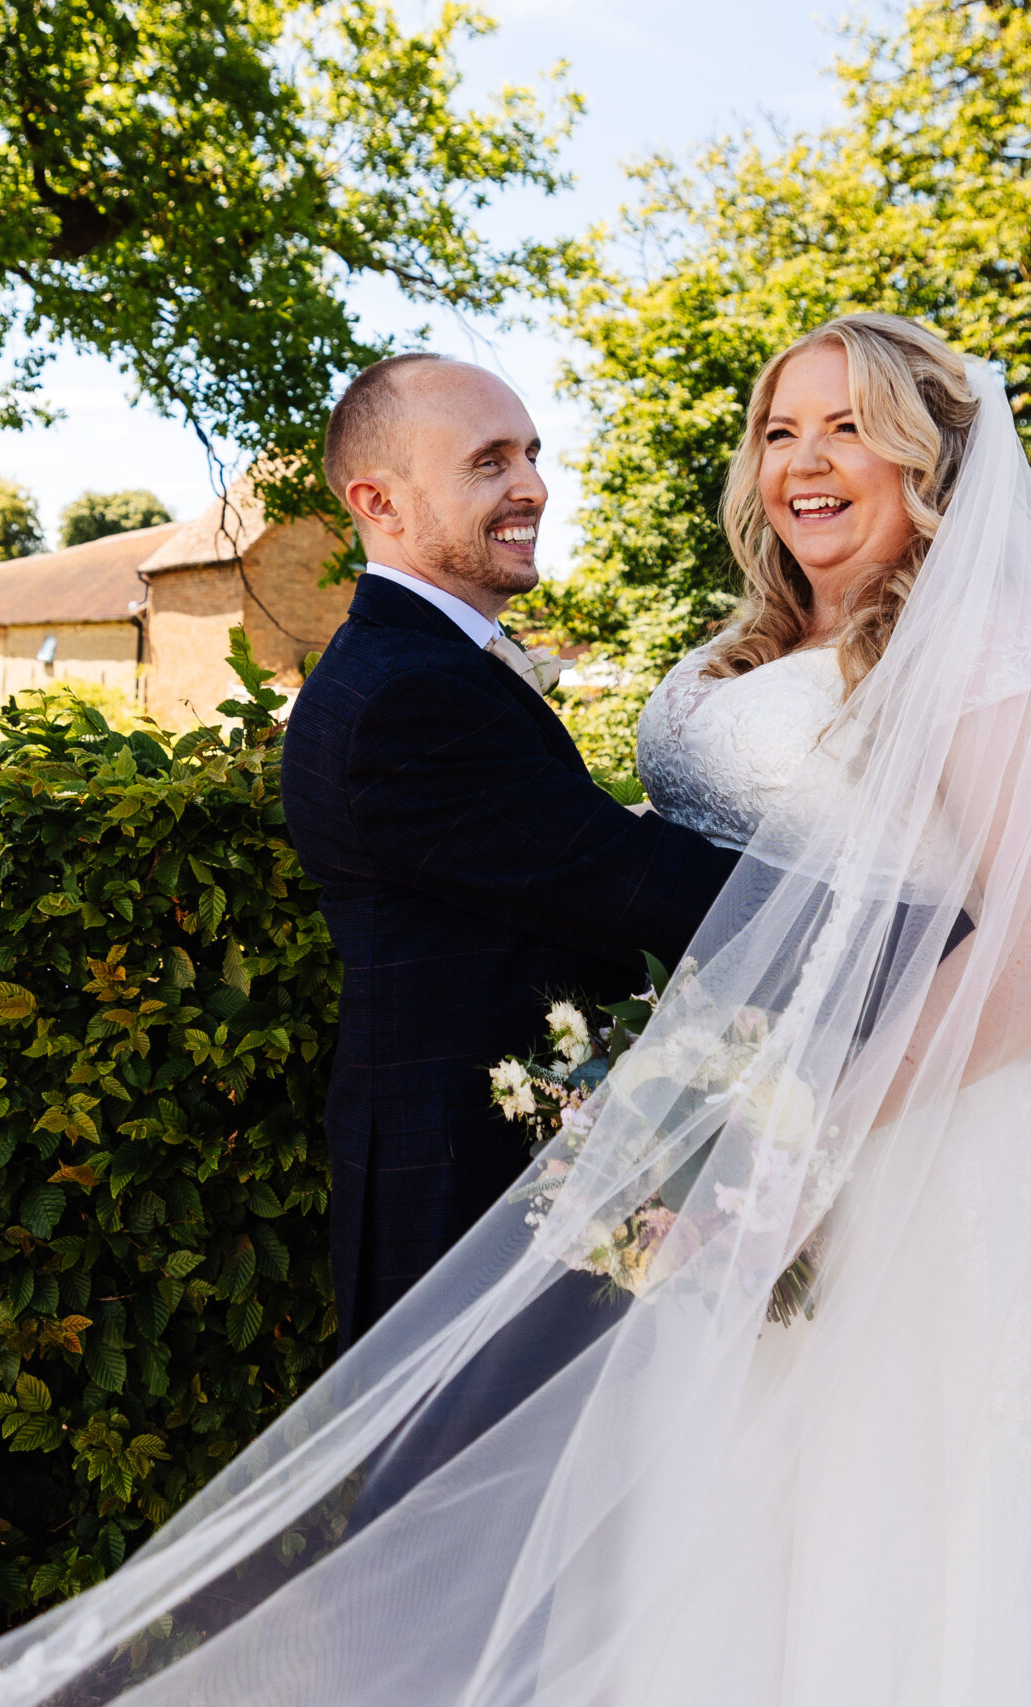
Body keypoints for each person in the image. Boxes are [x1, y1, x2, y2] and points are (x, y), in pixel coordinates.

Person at [0, 315, 1031, 1706]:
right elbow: (638, 875)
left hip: (907, 1142)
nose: (806, 460)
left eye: (852, 426)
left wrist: (806, 1107)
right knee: (724, 1526)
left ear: (933, 458)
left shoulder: (996, 648)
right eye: (779, 428)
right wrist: (736, 1113)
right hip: (738, 1142)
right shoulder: (733, 648)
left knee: (903, 1527)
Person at [277, 352, 740, 1346]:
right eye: (488, 462)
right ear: (378, 500)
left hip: (521, 1182)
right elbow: (631, 885)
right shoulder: (407, 697)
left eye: (529, 454)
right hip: (464, 1202)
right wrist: (919, 917)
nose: (532, 484)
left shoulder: (432, 665)